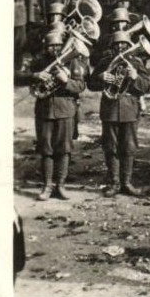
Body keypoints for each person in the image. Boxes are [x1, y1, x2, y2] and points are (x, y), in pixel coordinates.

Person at [87, 31, 150, 197]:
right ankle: (114, 182)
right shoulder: (105, 62)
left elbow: (146, 87)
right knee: (110, 146)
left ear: (130, 46)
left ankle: (127, 182)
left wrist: (135, 77)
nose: (120, 47)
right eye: (117, 44)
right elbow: (91, 85)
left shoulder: (136, 62)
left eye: (124, 44)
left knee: (129, 146)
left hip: (129, 108)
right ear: (112, 47)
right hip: (110, 108)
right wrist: (101, 77)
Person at [30, 32, 88, 201]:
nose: (54, 49)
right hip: (44, 111)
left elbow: (80, 86)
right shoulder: (39, 62)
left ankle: (60, 186)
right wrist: (35, 76)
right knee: (45, 148)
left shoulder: (73, 62)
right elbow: (22, 79)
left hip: (65, 110)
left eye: (57, 45)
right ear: (45, 47)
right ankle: (47, 185)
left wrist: (65, 81)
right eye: (50, 46)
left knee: (64, 148)